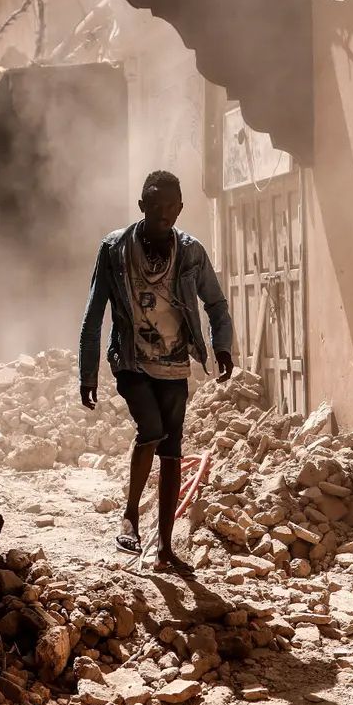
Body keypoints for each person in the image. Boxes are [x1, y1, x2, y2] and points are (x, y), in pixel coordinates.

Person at [78, 170, 234, 575]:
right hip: (130, 359)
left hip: (175, 363)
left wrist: (222, 347)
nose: (164, 213)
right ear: (142, 205)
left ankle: (165, 547)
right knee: (151, 427)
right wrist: (88, 373)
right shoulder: (114, 249)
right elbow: (94, 314)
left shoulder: (191, 253)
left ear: (180, 208)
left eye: (172, 206)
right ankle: (130, 514)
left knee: (172, 448)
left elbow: (216, 304)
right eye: (156, 204)